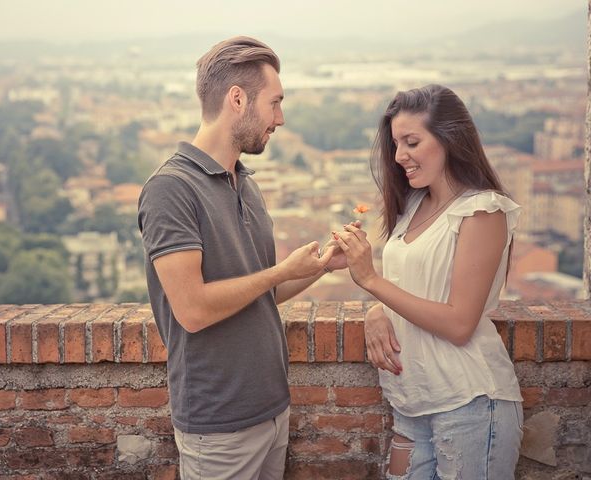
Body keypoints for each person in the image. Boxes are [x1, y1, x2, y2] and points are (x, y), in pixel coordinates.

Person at [138, 36, 345, 480]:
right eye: (275, 103)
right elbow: (192, 310)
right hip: (218, 425)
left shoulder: (245, 183)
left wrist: (323, 263)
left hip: (272, 411)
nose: (280, 118)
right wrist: (278, 271)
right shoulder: (170, 189)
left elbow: (263, 290)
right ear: (237, 99)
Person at [333, 84, 524, 479]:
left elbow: (459, 323)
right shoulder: (415, 204)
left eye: (412, 142)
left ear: (450, 140)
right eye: (396, 143)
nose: (400, 155)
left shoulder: (482, 211)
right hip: (411, 401)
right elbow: (414, 286)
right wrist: (376, 311)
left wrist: (370, 280)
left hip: (469, 401)